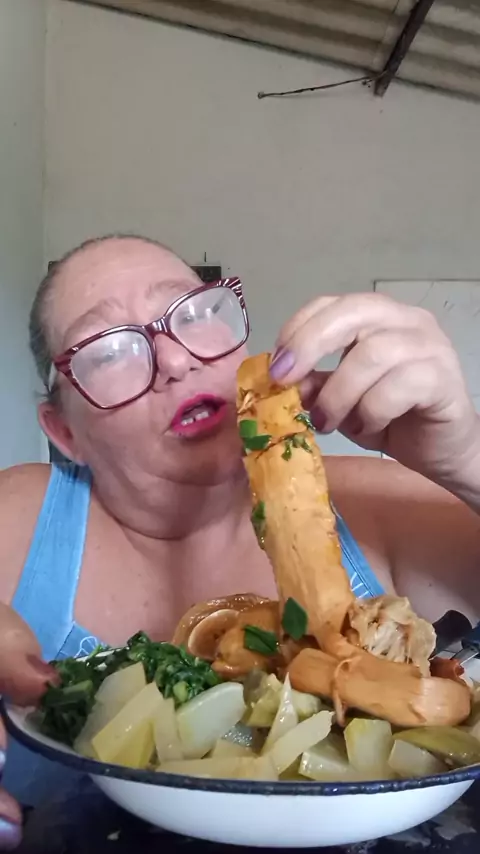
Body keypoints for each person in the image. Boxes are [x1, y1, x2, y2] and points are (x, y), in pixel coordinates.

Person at [1, 233, 480, 850]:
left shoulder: (383, 502)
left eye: (192, 312)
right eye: (110, 348)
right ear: (64, 431)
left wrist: (468, 458)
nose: (175, 361)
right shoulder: (19, 517)